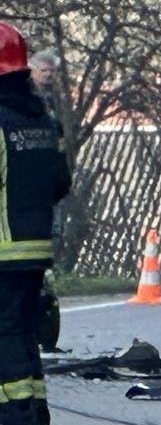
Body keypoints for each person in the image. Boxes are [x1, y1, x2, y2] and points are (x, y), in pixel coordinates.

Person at [0, 23, 71, 425]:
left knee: (4, 336)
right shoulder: (43, 120)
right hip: (35, 250)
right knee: (25, 333)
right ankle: (34, 410)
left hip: (2, 251)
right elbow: (60, 183)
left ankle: (13, 415)